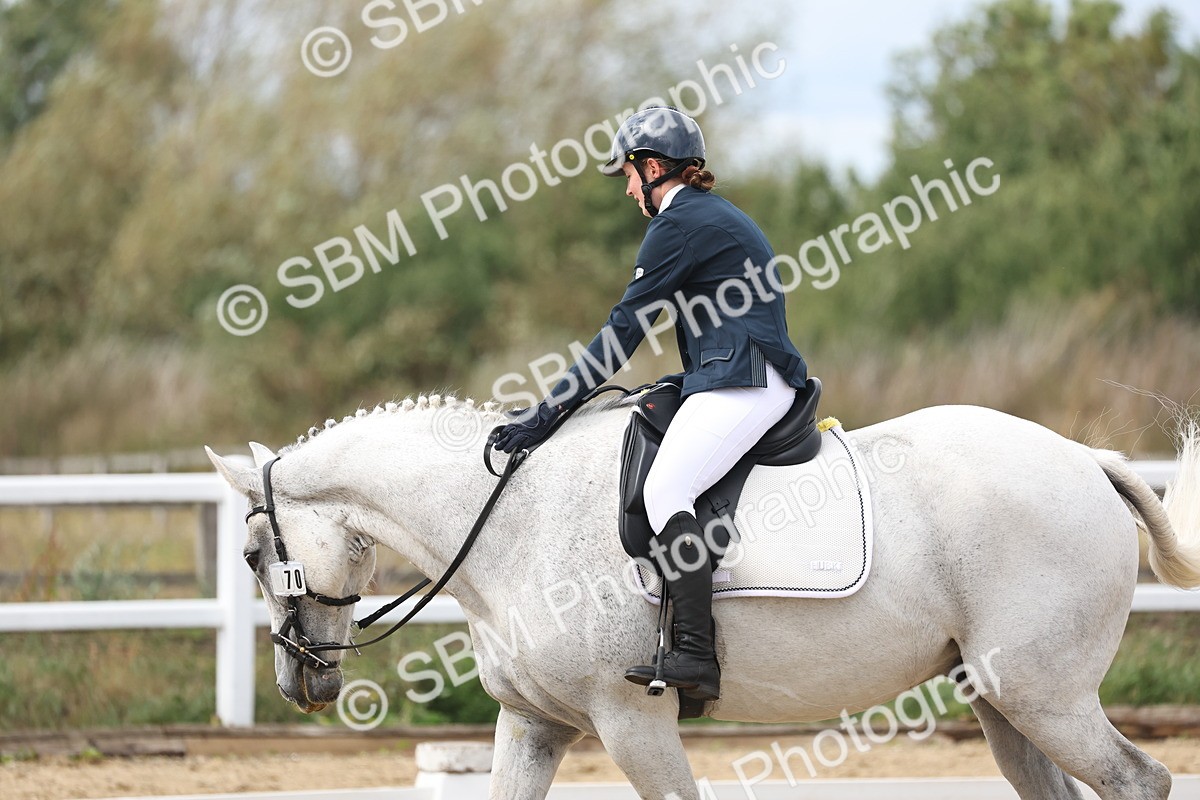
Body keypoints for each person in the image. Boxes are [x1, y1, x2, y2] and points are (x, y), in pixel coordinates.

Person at [492, 107, 808, 701]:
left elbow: (621, 332)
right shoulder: (704, 216)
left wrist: (547, 413)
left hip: (747, 381)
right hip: (732, 371)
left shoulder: (678, 223)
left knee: (666, 491)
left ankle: (694, 653)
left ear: (654, 166)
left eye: (630, 175)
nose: (629, 188)